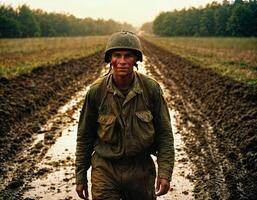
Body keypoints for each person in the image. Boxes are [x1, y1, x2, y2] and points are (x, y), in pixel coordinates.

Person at [75, 30, 174, 200]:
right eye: (117, 55)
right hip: (105, 168)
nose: (122, 61)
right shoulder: (96, 91)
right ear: (109, 59)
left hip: (140, 168)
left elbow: (165, 134)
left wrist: (165, 173)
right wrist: (80, 176)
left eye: (128, 56)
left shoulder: (150, 89)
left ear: (136, 59)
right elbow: (85, 136)